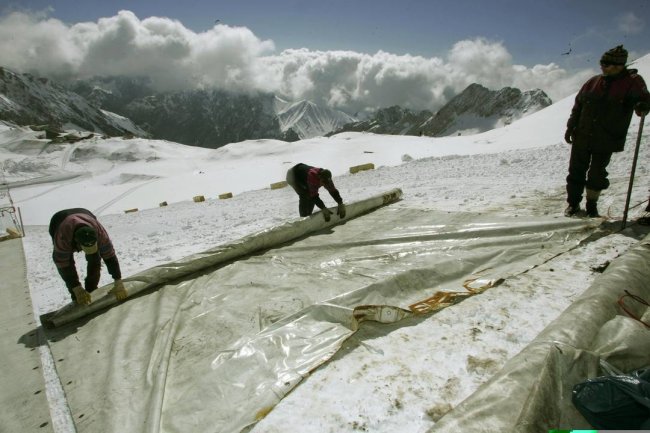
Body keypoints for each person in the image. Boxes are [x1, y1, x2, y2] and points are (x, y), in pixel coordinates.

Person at [564, 45, 650, 218]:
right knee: (575, 171)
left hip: (607, 137)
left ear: (619, 65)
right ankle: (573, 204)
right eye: (601, 62)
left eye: (606, 63)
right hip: (582, 134)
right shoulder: (593, 82)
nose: (602, 66)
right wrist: (571, 126)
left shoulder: (632, 82)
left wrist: (643, 106)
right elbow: (578, 106)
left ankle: (591, 206)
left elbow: (644, 101)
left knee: (597, 173)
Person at [49, 208, 127, 306]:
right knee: (67, 263)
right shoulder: (63, 237)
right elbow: (63, 264)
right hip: (59, 220)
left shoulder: (100, 233)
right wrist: (76, 288)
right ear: (77, 244)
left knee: (95, 259)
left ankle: (91, 289)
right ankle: (77, 297)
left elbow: (110, 256)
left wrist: (118, 280)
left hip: (86, 215)